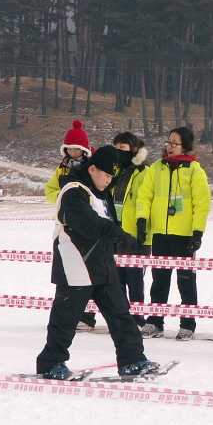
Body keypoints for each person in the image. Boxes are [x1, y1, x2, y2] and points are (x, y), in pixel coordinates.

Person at [36, 145, 158, 379]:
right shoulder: (73, 190)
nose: (109, 181)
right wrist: (120, 235)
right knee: (65, 320)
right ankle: (51, 363)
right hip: (76, 266)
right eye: (107, 175)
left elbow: (106, 221)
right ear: (92, 169)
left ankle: (132, 360)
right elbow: (89, 224)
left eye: (113, 177)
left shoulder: (101, 194)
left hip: (102, 266)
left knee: (121, 315)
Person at [135, 127, 210, 341]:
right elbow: (145, 195)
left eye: (174, 143)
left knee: (185, 281)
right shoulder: (157, 168)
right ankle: (155, 322)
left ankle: (188, 324)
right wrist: (142, 219)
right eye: (169, 142)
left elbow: (201, 204)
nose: (170, 146)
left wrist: (197, 232)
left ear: (185, 145)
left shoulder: (195, 171)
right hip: (160, 233)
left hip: (184, 235)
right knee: (159, 280)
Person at [45, 119, 97, 331]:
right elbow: (49, 191)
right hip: (65, 225)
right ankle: (67, 314)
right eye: (70, 148)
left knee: (87, 272)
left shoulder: (92, 167)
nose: (73, 151)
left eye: (77, 148)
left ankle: (87, 315)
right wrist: (64, 197)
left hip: (87, 224)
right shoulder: (61, 168)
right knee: (65, 273)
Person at [112, 132, 151, 326]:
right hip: (114, 231)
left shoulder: (144, 172)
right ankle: (121, 316)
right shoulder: (115, 170)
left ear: (134, 149)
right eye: (117, 147)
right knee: (116, 279)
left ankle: (137, 317)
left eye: (123, 147)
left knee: (134, 279)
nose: (119, 151)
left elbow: (146, 200)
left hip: (135, 233)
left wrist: (141, 226)